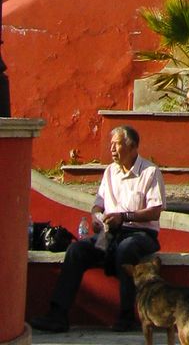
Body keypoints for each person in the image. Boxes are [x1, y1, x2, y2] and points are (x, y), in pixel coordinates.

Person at [31, 124, 165, 333]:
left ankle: (127, 317)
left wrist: (125, 217)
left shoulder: (150, 172)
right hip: (110, 232)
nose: (112, 149)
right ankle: (57, 315)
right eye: (111, 144)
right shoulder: (110, 172)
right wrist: (96, 217)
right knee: (77, 250)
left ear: (132, 148)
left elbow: (155, 211)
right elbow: (98, 204)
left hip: (140, 233)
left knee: (126, 250)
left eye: (117, 144)